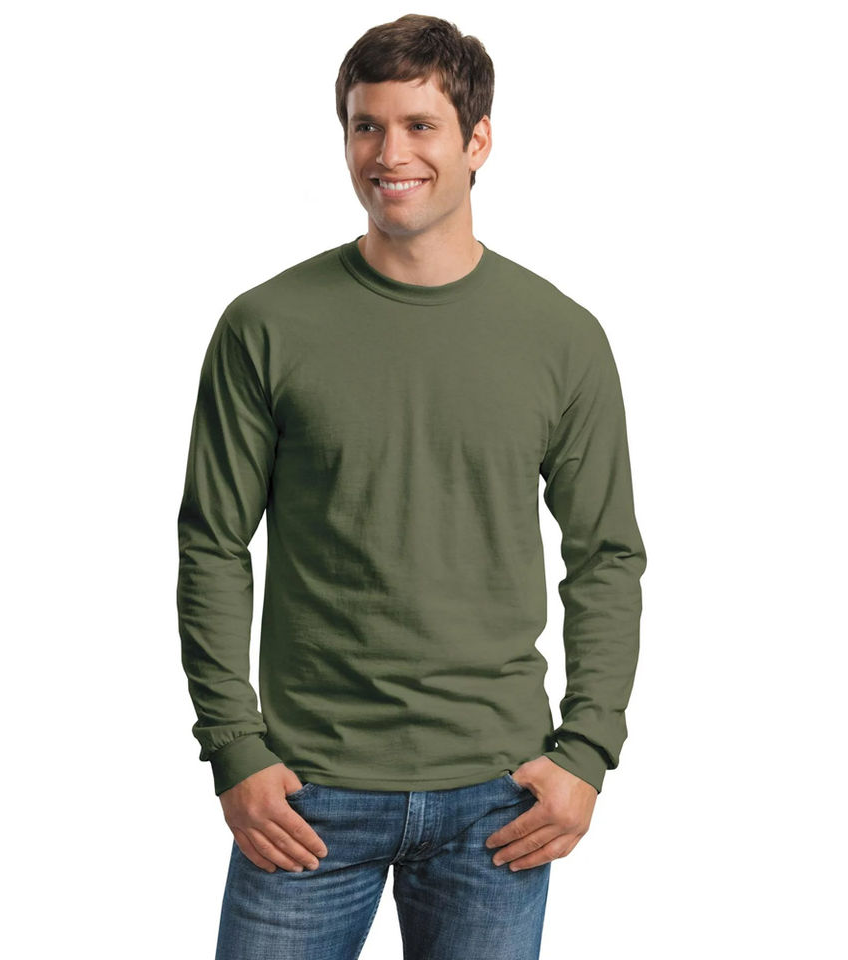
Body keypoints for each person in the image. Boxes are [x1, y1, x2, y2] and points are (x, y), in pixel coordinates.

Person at [176, 13, 646, 960]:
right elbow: (213, 543)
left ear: (478, 140)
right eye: (367, 125)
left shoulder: (562, 337)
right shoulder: (264, 325)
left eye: (420, 126)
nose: (389, 154)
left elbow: (606, 556)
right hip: (305, 792)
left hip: (498, 796)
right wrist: (233, 745)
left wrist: (588, 751)